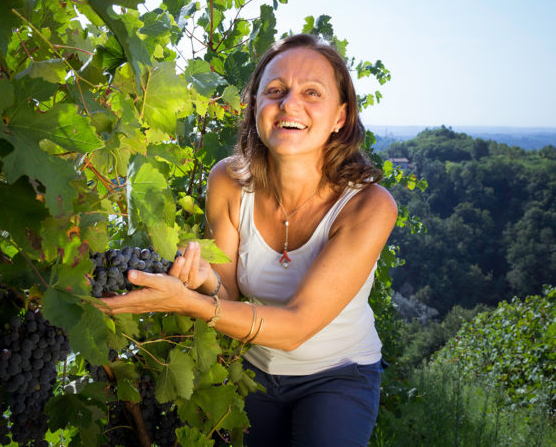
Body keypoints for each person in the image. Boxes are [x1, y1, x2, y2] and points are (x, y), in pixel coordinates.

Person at [100, 33, 398, 446]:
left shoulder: (368, 206)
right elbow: (229, 290)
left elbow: (296, 327)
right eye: (275, 91)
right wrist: (204, 277)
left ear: (340, 117)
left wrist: (189, 303)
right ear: (255, 105)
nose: (289, 104)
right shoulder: (228, 180)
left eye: (312, 93)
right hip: (252, 370)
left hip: (338, 376)